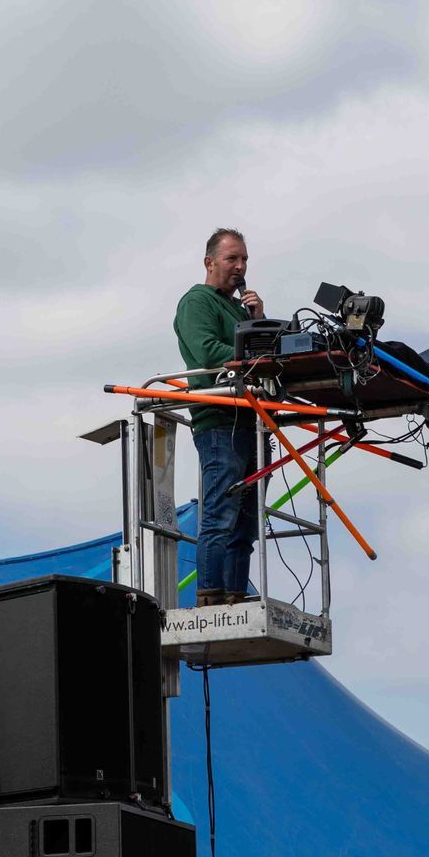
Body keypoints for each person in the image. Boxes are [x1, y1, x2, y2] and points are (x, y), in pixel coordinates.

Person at [173, 228, 265, 607]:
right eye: (232, 258)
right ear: (209, 262)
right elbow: (208, 350)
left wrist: (259, 320)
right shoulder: (196, 301)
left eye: (244, 259)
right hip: (219, 421)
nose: (240, 266)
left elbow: (258, 351)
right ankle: (210, 597)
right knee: (220, 514)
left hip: (252, 421)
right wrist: (255, 358)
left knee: (246, 522)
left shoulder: (239, 309)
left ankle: (236, 594)